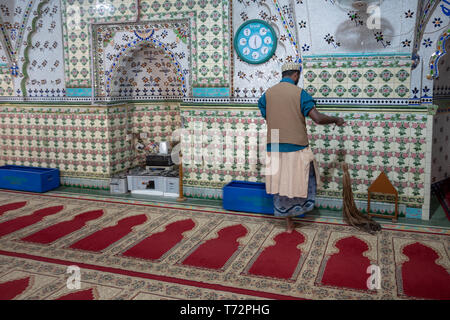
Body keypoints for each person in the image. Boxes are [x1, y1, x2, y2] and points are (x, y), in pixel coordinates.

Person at [258, 62, 346, 232]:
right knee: (304, 178)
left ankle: (288, 221)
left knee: (281, 182)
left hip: (274, 143)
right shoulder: (300, 93)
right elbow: (318, 119)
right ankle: (300, 211)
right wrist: (336, 119)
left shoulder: (267, 94)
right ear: (296, 75)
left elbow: (267, 114)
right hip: (295, 144)